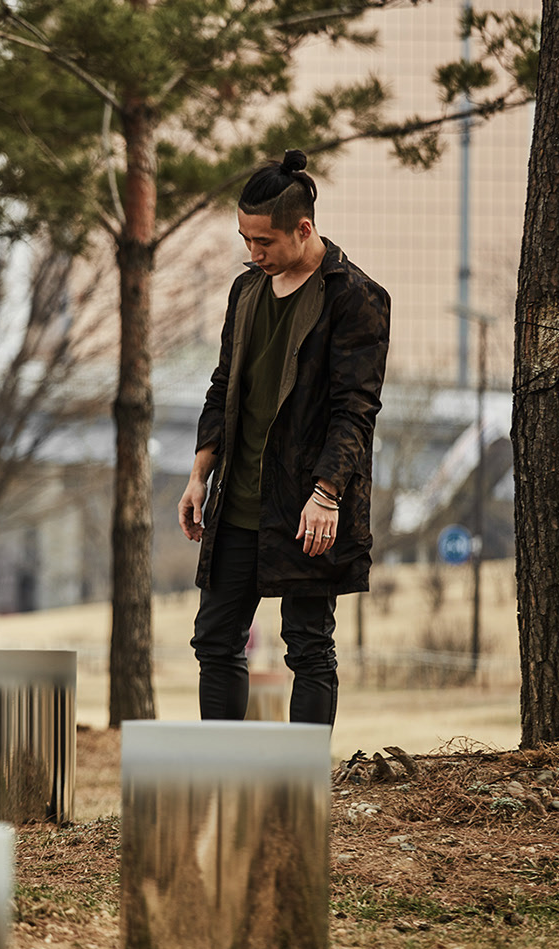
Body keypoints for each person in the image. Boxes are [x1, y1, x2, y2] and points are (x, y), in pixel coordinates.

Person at [177, 149, 389, 726]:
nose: (253, 253)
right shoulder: (245, 292)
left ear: (303, 228)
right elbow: (223, 387)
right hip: (237, 503)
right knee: (215, 643)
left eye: (264, 242)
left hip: (305, 506)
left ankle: (298, 794)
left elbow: (356, 409)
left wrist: (327, 494)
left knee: (308, 648)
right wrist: (200, 475)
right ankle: (226, 783)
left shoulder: (355, 297)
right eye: (245, 239)